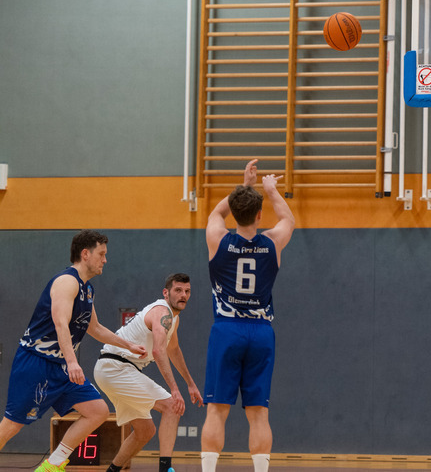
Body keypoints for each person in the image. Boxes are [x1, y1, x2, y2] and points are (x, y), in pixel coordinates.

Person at [0, 230, 146, 472]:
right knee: (12, 425)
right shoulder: (66, 282)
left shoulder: (87, 289)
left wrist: (128, 345)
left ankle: (52, 465)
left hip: (60, 367)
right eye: (101, 254)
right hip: (36, 363)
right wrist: (72, 362)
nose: (105, 260)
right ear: (85, 254)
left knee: (97, 411)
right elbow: (60, 323)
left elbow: (95, 328)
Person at [201, 159, 295, 472]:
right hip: (260, 331)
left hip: (226, 329)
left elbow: (216, 214)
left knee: (216, 409)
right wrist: (271, 190)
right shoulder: (273, 243)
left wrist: (246, 187)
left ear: (236, 211)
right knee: (258, 413)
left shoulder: (218, 238)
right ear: (259, 215)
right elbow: (288, 219)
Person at [93, 273, 204, 472]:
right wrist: (175, 389)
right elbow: (159, 351)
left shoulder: (173, 319)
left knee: (145, 431)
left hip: (113, 369)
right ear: (166, 293)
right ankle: (165, 469)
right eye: (178, 290)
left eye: (187, 291)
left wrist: (190, 383)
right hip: (116, 367)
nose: (183, 295)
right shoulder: (162, 312)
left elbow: (173, 350)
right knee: (172, 407)